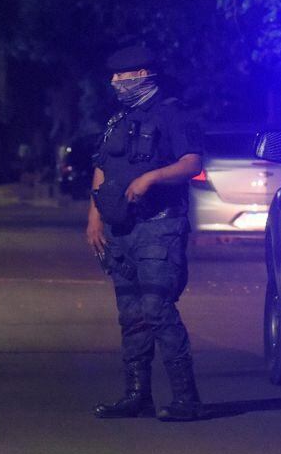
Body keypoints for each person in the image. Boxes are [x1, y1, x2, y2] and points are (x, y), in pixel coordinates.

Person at [87, 44, 206, 422]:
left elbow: (191, 163)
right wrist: (93, 219)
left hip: (159, 226)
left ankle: (187, 398)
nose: (116, 83)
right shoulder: (117, 120)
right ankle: (137, 395)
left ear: (144, 75)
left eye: (123, 76)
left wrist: (152, 177)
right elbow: (102, 171)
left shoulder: (173, 114)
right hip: (121, 229)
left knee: (157, 308)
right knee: (131, 314)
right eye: (114, 77)